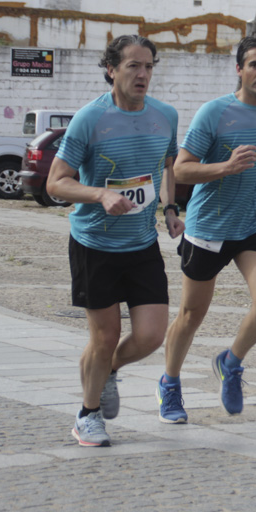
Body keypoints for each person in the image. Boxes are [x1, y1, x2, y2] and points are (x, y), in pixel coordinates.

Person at [156, 33, 256, 423]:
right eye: (254, 64)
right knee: (191, 314)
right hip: (209, 226)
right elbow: (182, 167)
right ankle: (170, 384)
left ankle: (231, 361)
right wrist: (225, 167)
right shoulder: (215, 113)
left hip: (254, 222)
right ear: (239, 69)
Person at [47, 35, 184, 447]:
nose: (142, 75)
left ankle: (105, 370)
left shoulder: (165, 115)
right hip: (94, 244)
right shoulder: (90, 119)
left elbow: (167, 164)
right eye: (133, 66)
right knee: (103, 337)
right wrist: (100, 194)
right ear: (111, 69)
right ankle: (87, 416)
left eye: (149, 67)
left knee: (150, 335)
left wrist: (170, 209)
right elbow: (56, 182)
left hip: (141, 244)